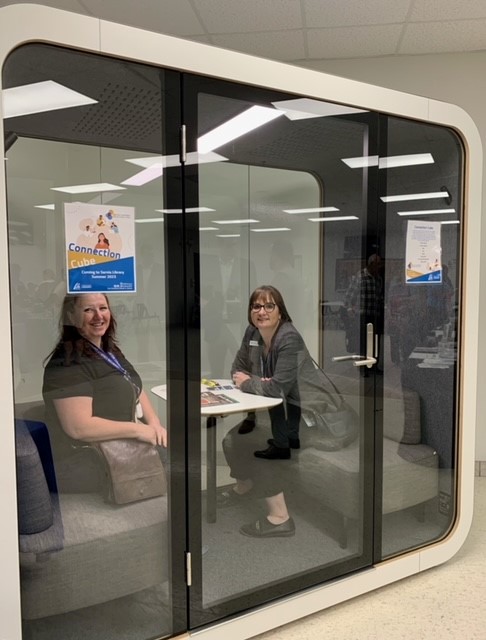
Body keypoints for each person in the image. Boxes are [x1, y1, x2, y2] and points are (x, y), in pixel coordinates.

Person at [222, 285, 323, 538]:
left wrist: (250, 382)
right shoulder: (252, 332)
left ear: (280, 312)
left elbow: (277, 388)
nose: (262, 312)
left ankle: (280, 518)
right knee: (232, 439)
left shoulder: (289, 339)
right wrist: (258, 383)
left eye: (269, 306)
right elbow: (237, 369)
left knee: (261, 446)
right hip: (276, 411)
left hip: (306, 414)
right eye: (256, 306)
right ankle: (244, 487)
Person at [42, 293, 167, 493]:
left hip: (119, 445)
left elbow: (134, 386)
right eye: (88, 310)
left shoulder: (109, 350)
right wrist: (138, 430)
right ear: (71, 317)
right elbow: (79, 428)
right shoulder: (67, 363)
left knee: (176, 458)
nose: (98, 316)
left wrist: (154, 424)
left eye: (103, 308)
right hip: (84, 459)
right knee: (176, 468)